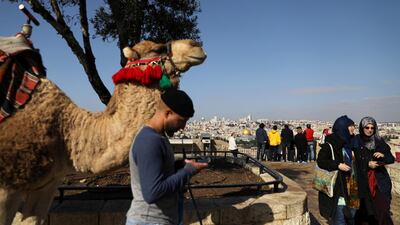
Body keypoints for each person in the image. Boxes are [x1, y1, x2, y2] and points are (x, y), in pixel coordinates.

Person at [126, 88, 208, 225]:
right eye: (182, 121)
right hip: (149, 220)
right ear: (168, 113)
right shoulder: (149, 141)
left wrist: (178, 166)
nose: (183, 127)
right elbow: (153, 193)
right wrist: (188, 171)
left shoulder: (158, 137)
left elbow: (158, 173)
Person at [353, 116, 395, 225]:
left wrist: (383, 155)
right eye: (367, 127)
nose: (370, 130)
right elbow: (353, 160)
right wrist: (367, 163)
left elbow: (391, 159)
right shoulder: (356, 140)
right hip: (362, 180)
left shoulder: (379, 141)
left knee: (382, 210)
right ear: (362, 128)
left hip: (379, 181)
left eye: (372, 127)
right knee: (363, 212)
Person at [317, 115, 358, 225]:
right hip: (339, 189)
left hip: (353, 188)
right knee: (340, 219)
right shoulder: (331, 144)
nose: (353, 128)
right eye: (350, 126)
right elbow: (321, 161)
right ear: (342, 127)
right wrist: (337, 165)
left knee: (352, 217)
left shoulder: (352, 142)